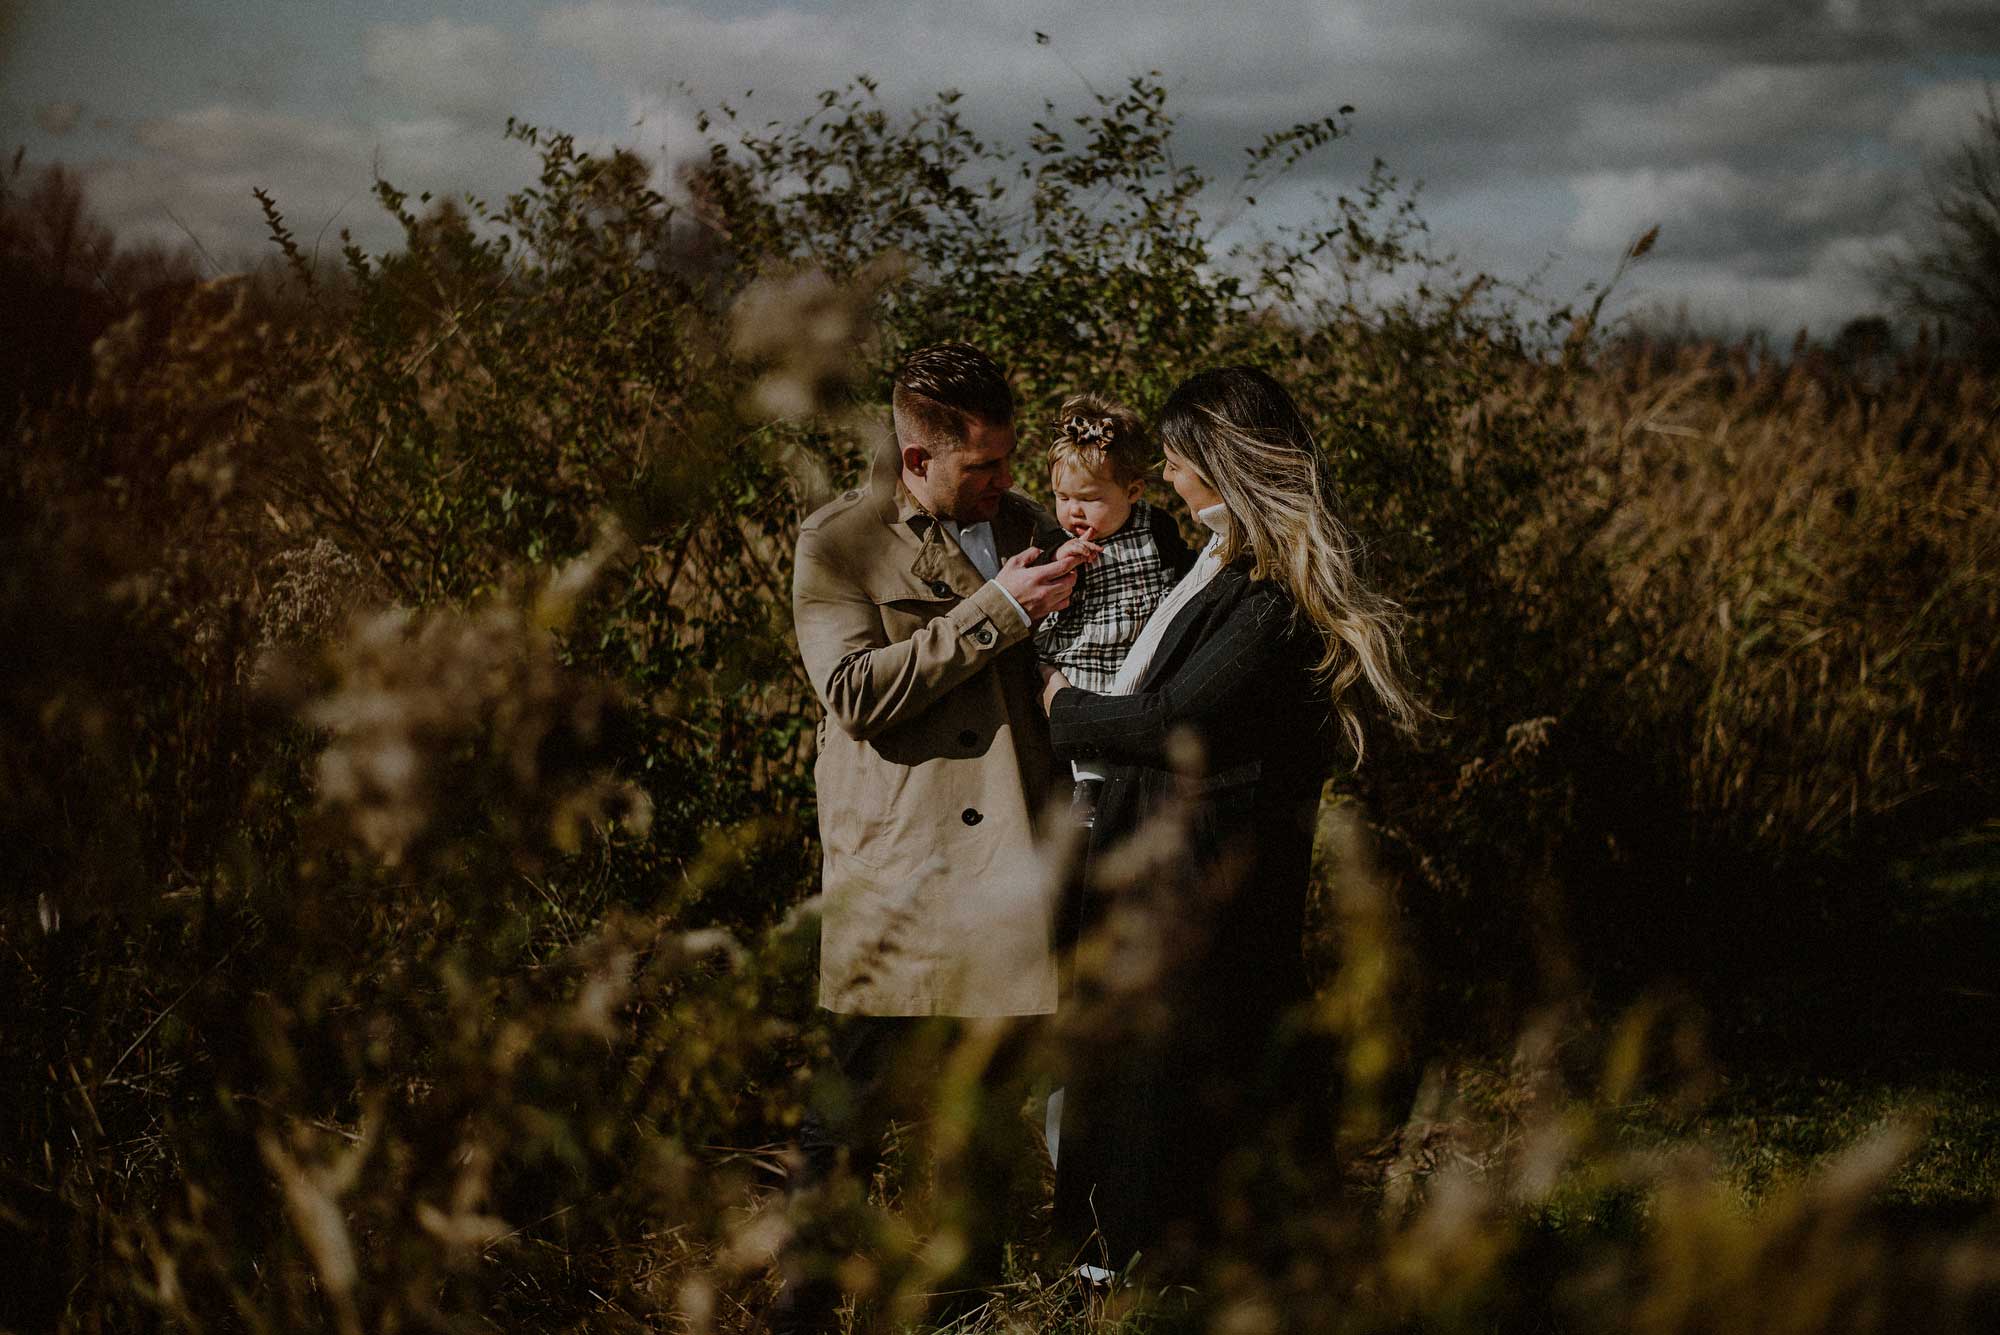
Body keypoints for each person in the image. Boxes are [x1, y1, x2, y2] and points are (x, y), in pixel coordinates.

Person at [1038, 365, 1421, 1283]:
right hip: (1171, 864)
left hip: (1211, 879)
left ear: (1221, 460)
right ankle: (1132, 1265)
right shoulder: (1221, 561)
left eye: (1175, 460)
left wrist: (1062, 708)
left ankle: (1166, 1272)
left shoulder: (1273, 594)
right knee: (1142, 1072)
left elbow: (1175, 717)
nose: (1167, 476)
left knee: (1182, 1078)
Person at [778, 343, 1091, 1330]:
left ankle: (961, 1308)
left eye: (1006, 460)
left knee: (987, 1111)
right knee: (846, 1116)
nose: (1002, 484)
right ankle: (803, 1311)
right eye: (981, 466)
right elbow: (853, 693)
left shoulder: (1024, 524)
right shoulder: (837, 542)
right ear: (917, 457)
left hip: (1007, 864)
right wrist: (997, 611)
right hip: (904, 870)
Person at [1034, 393, 1195, 694]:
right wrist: (1059, 559)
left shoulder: (1155, 527)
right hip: (1081, 668)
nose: (1074, 510)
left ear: (1132, 491)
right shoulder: (1059, 541)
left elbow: (1188, 573)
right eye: (1063, 497)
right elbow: (1037, 580)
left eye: (1090, 498)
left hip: (1148, 663)